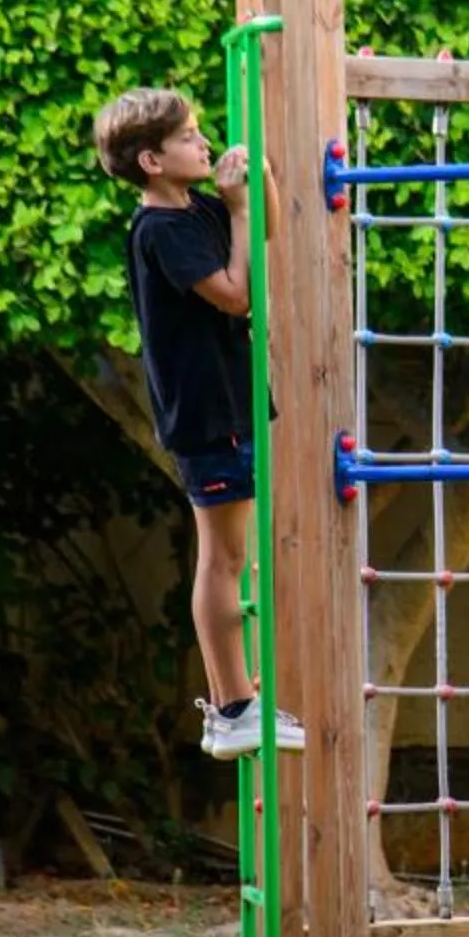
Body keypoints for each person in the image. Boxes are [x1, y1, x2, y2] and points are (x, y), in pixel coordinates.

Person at [98, 86, 304, 762]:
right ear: (153, 160)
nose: (204, 143)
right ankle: (234, 704)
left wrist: (258, 182)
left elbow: (265, 228)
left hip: (227, 402)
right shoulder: (160, 231)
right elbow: (236, 294)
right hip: (205, 411)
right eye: (189, 137)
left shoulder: (195, 209)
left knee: (231, 555)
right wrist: (240, 211)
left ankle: (232, 707)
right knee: (224, 558)